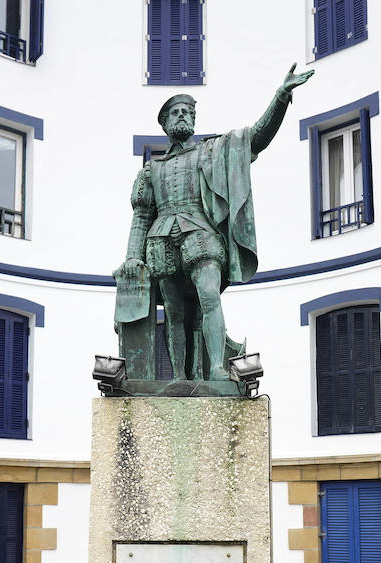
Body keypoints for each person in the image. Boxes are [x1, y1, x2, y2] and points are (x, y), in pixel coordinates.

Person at [117, 64, 314, 381]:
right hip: (160, 240)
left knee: (209, 297)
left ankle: (218, 370)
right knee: (174, 314)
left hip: (200, 236)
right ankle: (179, 378)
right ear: (165, 124)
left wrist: (280, 98)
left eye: (186, 112)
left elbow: (256, 138)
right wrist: (132, 256)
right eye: (174, 113)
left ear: (193, 120)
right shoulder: (150, 171)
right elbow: (141, 217)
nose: (181, 116)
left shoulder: (212, 152)